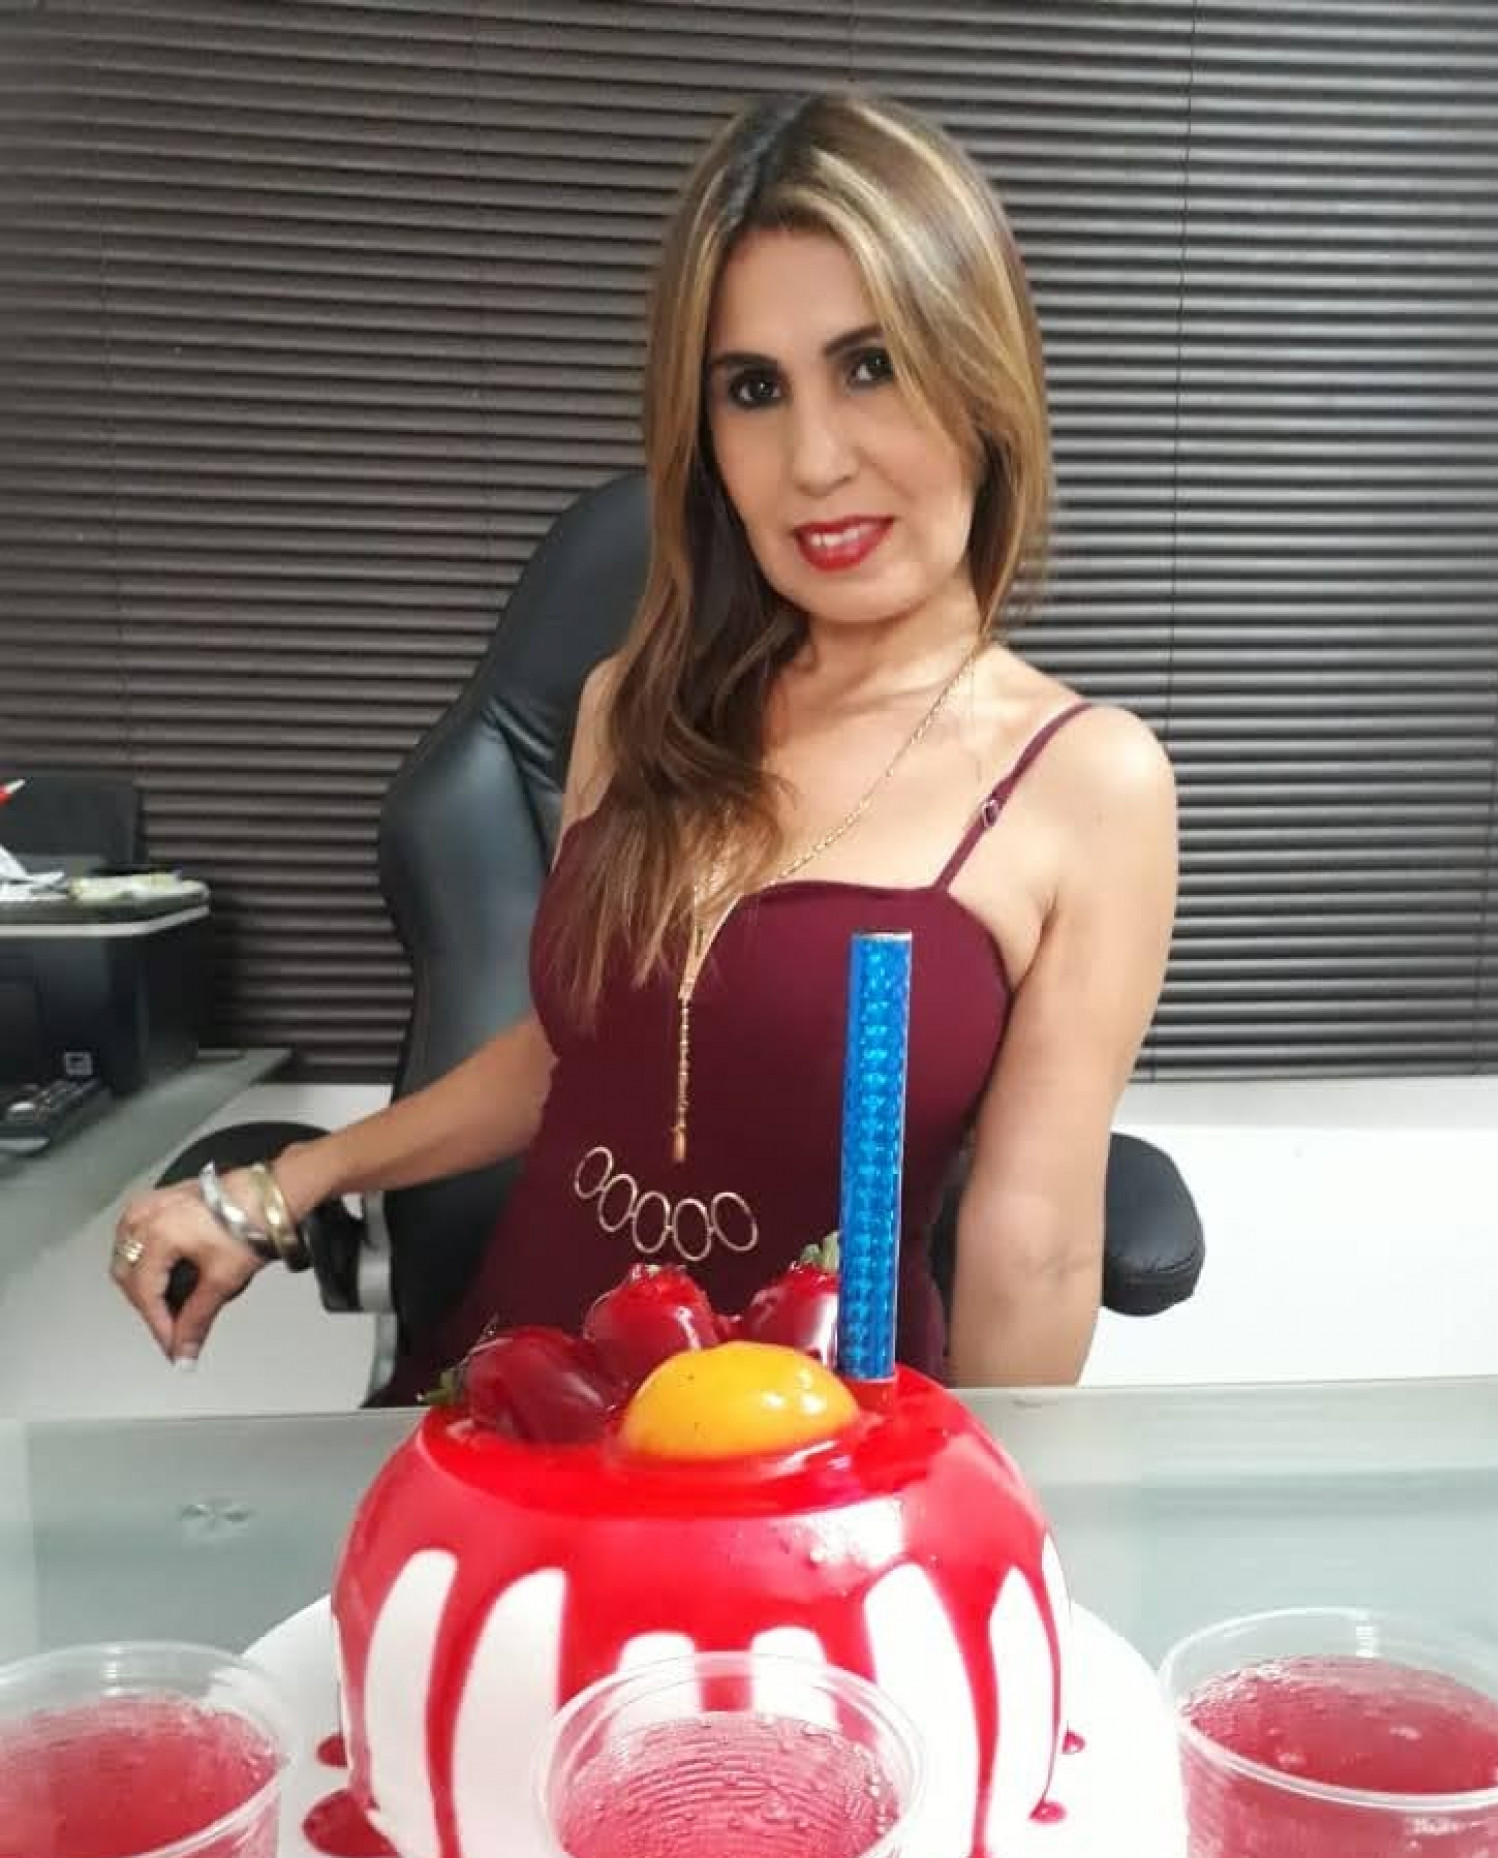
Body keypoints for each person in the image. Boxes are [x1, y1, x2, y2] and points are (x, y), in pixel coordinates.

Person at [108, 88, 1177, 1394]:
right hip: (518, 1392)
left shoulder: (1085, 782)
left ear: (983, 379)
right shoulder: (634, 706)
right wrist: (283, 1184)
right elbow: (574, 1056)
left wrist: (969, 1503)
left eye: (871, 364)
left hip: (816, 1452)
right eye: (753, 389)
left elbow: (1035, 1248)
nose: (815, 460)